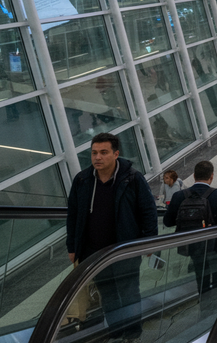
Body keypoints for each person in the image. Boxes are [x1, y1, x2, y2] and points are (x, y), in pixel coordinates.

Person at [66, 133, 157, 340]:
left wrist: (149, 241)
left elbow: (148, 211)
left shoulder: (132, 178)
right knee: (107, 294)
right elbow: (73, 215)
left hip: (125, 249)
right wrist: (72, 247)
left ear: (116, 154)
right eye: (94, 153)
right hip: (94, 251)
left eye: (103, 152)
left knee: (128, 292)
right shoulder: (82, 180)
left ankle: (132, 332)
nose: (97, 157)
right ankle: (116, 331)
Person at [164, 161, 217, 313]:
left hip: (194, 246)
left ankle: (204, 310)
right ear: (211, 176)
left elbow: (167, 221)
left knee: (202, 278)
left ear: (194, 176)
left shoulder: (179, 196)